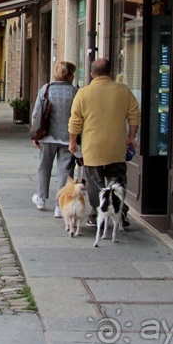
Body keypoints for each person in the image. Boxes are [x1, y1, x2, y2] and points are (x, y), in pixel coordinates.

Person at [68, 57, 140, 227]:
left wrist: (72, 142)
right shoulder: (123, 91)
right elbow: (134, 114)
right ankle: (119, 212)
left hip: (93, 148)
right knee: (118, 181)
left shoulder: (83, 93)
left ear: (92, 74)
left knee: (95, 182)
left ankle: (96, 213)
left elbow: (75, 121)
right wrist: (131, 137)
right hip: (116, 148)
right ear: (110, 73)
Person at [30, 61, 79, 217]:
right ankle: (60, 204)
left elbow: (36, 114)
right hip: (68, 137)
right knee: (65, 170)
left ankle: (41, 198)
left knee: (44, 167)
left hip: (47, 136)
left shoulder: (46, 89)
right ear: (69, 75)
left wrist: (35, 135)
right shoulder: (75, 92)